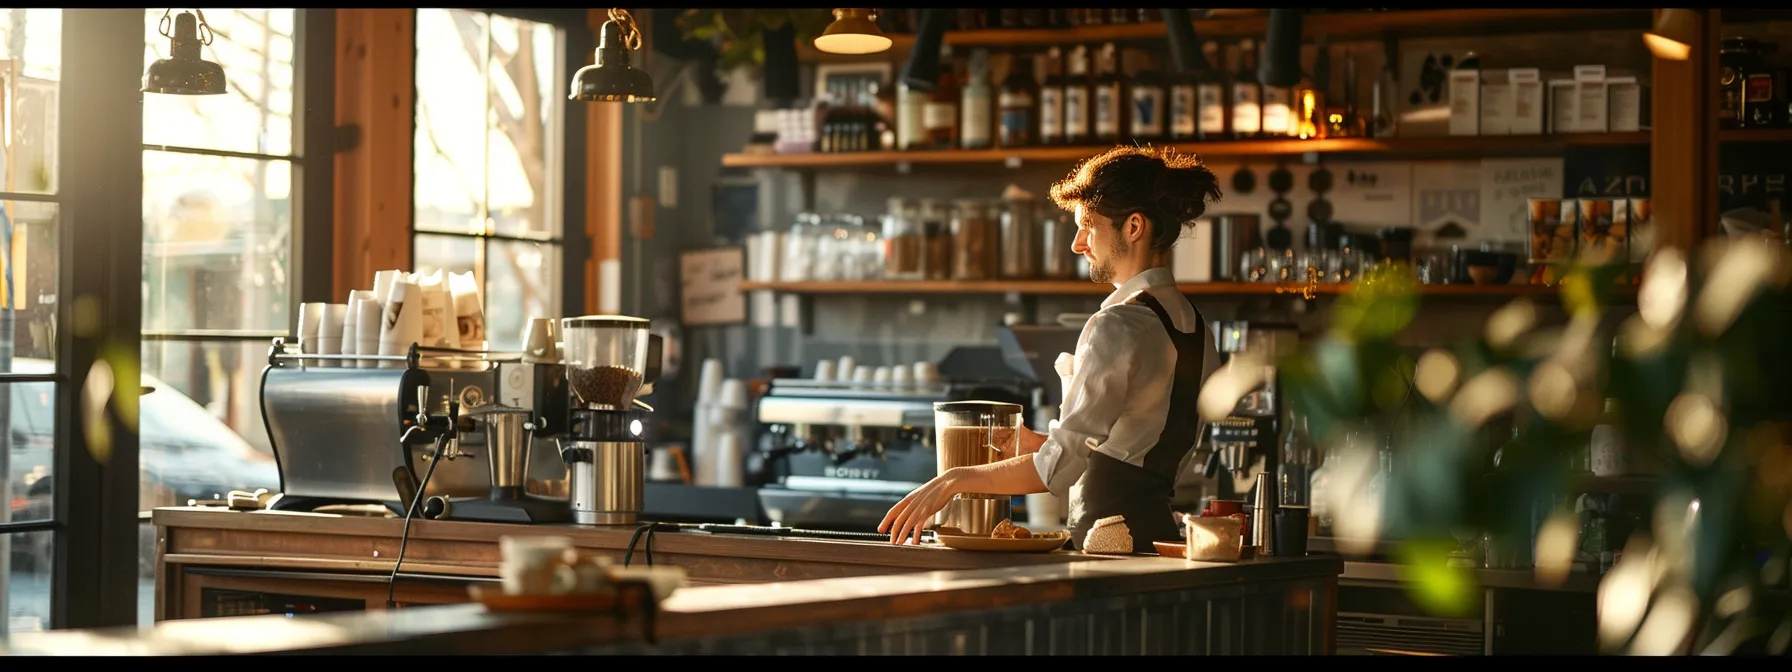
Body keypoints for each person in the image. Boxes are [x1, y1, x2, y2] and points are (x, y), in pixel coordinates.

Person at [880, 146, 1224, 552]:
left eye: (1088, 226)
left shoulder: (1117, 325)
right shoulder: (1196, 327)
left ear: (1133, 227)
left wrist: (956, 479)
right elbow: (1132, 449)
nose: (1078, 244)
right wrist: (1036, 443)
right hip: (1156, 539)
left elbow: (1056, 474)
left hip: (1106, 544)